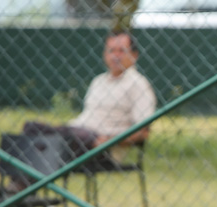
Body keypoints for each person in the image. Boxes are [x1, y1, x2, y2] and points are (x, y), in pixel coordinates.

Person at [21, 30, 155, 167]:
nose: (115, 56)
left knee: (61, 138)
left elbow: (143, 132)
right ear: (105, 54)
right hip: (76, 134)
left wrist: (109, 140)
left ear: (134, 55)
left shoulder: (139, 84)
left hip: (102, 147)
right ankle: (23, 177)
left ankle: (27, 176)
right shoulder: (98, 81)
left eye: (121, 51)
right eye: (111, 50)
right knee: (32, 128)